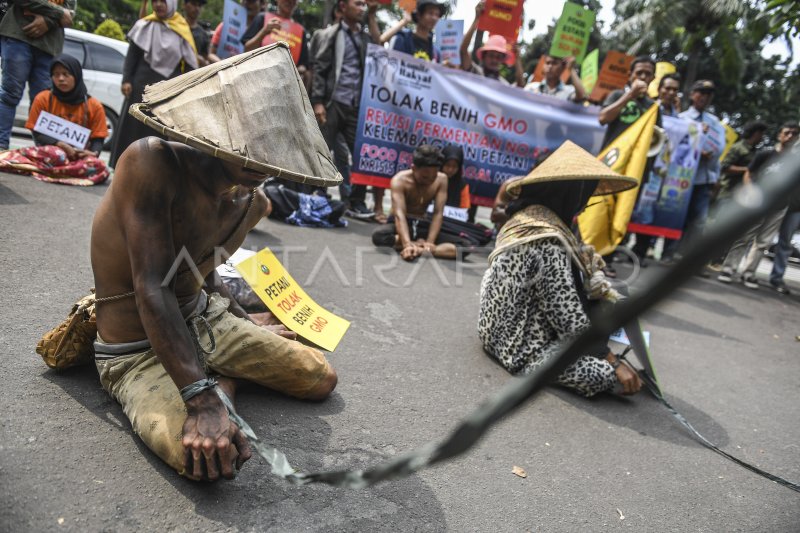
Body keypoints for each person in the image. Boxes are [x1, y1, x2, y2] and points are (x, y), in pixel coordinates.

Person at [89, 50, 339, 481]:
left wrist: (246, 322)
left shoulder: (252, 201)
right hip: (133, 349)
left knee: (320, 377)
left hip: (204, 322)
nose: (261, 159)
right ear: (224, 127)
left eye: (272, 146)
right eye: (252, 141)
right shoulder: (150, 161)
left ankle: (220, 376)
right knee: (205, 459)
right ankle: (212, 381)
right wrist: (201, 400)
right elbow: (155, 286)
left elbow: (203, 274)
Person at [479, 141, 642, 397]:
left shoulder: (528, 216)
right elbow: (567, 318)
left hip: (496, 330)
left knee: (610, 301)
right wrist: (612, 361)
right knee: (600, 375)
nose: (586, 203)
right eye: (584, 194)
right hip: (518, 348)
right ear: (568, 193)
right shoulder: (547, 241)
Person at [310, 0, 381, 219]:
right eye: (357, 3)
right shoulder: (331, 34)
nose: (361, 7)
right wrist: (318, 101)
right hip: (333, 102)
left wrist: (371, 16)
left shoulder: (364, 37)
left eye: (363, 4)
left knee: (362, 155)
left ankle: (356, 202)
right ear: (343, 6)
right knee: (322, 151)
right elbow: (320, 68)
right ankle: (317, 193)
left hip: (356, 105)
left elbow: (379, 48)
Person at [109, 0, 198, 168]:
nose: (158, 5)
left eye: (163, 1)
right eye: (154, 1)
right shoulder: (144, 25)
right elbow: (132, 55)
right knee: (132, 128)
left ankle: (152, 172)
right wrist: (126, 79)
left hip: (165, 91)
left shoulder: (181, 29)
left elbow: (190, 65)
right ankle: (123, 167)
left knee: (156, 133)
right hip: (140, 86)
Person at [0, 53, 109, 185]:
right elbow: (37, 132)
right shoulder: (43, 98)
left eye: (66, 74)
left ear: (76, 76)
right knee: (58, 154)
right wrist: (60, 144)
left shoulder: (94, 105)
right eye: (56, 75)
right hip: (49, 153)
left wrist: (92, 153)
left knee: (99, 166)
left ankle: (46, 171)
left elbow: (98, 138)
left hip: (78, 157)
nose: (61, 79)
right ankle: (64, 173)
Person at [717, 123, 800, 289]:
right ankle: (728, 268)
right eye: (787, 133)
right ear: (780, 135)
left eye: (794, 134)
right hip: (759, 202)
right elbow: (749, 172)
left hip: (780, 206)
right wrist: (750, 191)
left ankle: (749, 273)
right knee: (744, 237)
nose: (790, 136)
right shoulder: (766, 154)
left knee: (763, 242)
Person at [595, 55, 658, 270]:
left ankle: (606, 260)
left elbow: (655, 141)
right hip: (609, 166)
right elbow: (603, 118)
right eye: (638, 72)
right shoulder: (616, 95)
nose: (642, 76)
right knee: (596, 211)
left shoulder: (653, 108)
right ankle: (584, 256)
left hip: (634, 173)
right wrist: (629, 96)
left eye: (647, 73)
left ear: (653, 78)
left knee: (621, 216)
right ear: (630, 75)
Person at [372, 145, 474, 260]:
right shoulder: (399, 180)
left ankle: (420, 249)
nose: (429, 180)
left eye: (433, 177)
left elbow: (438, 213)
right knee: (379, 236)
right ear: (414, 168)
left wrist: (430, 242)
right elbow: (399, 215)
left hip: (423, 224)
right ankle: (414, 245)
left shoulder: (442, 179)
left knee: (466, 246)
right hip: (404, 223)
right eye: (425, 177)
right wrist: (406, 244)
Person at [0, 0, 75, 150]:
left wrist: (47, 20)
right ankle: (1, 145)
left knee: (43, 100)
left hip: (49, 47)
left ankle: (44, 151)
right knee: (10, 94)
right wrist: (58, 13)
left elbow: (71, 14)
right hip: (18, 36)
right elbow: (64, 14)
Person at [242, 0, 311, 86]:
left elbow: (304, 65)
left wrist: (298, 71)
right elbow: (246, 50)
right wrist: (264, 32)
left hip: (286, 86)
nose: (290, 2)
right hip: (256, 81)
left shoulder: (301, 31)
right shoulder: (263, 18)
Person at [459, 1, 524, 87]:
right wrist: (476, 19)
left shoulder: (502, 85)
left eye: (498, 57)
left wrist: (517, 59)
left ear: (502, 60)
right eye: (491, 56)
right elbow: (463, 51)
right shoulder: (475, 73)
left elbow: (520, 86)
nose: (494, 60)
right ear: (484, 56)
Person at [716, 121, 767, 202]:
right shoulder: (738, 147)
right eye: (761, 134)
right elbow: (725, 167)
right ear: (756, 133)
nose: (762, 137)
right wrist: (748, 169)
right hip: (728, 194)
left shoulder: (755, 152)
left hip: (743, 196)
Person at [184, 0, 218, 66]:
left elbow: (206, 56)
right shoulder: (175, 27)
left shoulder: (203, 34)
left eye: (199, 5)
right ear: (184, 5)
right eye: (193, 4)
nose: (197, 8)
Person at [441, 144, 470, 209]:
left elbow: (465, 209)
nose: (450, 170)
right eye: (447, 165)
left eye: (454, 166)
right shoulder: (432, 179)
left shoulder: (463, 185)